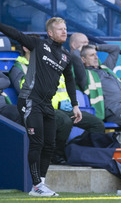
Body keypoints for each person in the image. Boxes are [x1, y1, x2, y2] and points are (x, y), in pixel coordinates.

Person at [0, 17, 82, 197]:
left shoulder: (66, 56)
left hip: (46, 104)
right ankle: (36, 185)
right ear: (50, 33)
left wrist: (75, 104)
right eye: (59, 29)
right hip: (30, 100)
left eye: (65, 29)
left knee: (49, 144)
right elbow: (16, 34)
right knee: (37, 142)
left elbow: (70, 80)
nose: (64, 32)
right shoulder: (38, 44)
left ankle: (41, 185)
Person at [9, 37, 105, 165]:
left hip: (63, 108)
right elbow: (26, 92)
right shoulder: (19, 67)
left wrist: (71, 104)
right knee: (65, 122)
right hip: (39, 108)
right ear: (26, 48)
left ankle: (75, 150)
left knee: (97, 124)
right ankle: (55, 155)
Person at [71, 42, 121, 131]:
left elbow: (115, 49)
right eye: (91, 55)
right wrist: (81, 47)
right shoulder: (84, 75)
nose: (96, 57)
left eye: (96, 54)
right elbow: (75, 56)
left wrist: (96, 47)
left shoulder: (105, 68)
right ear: (83, 59)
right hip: (114, 109)